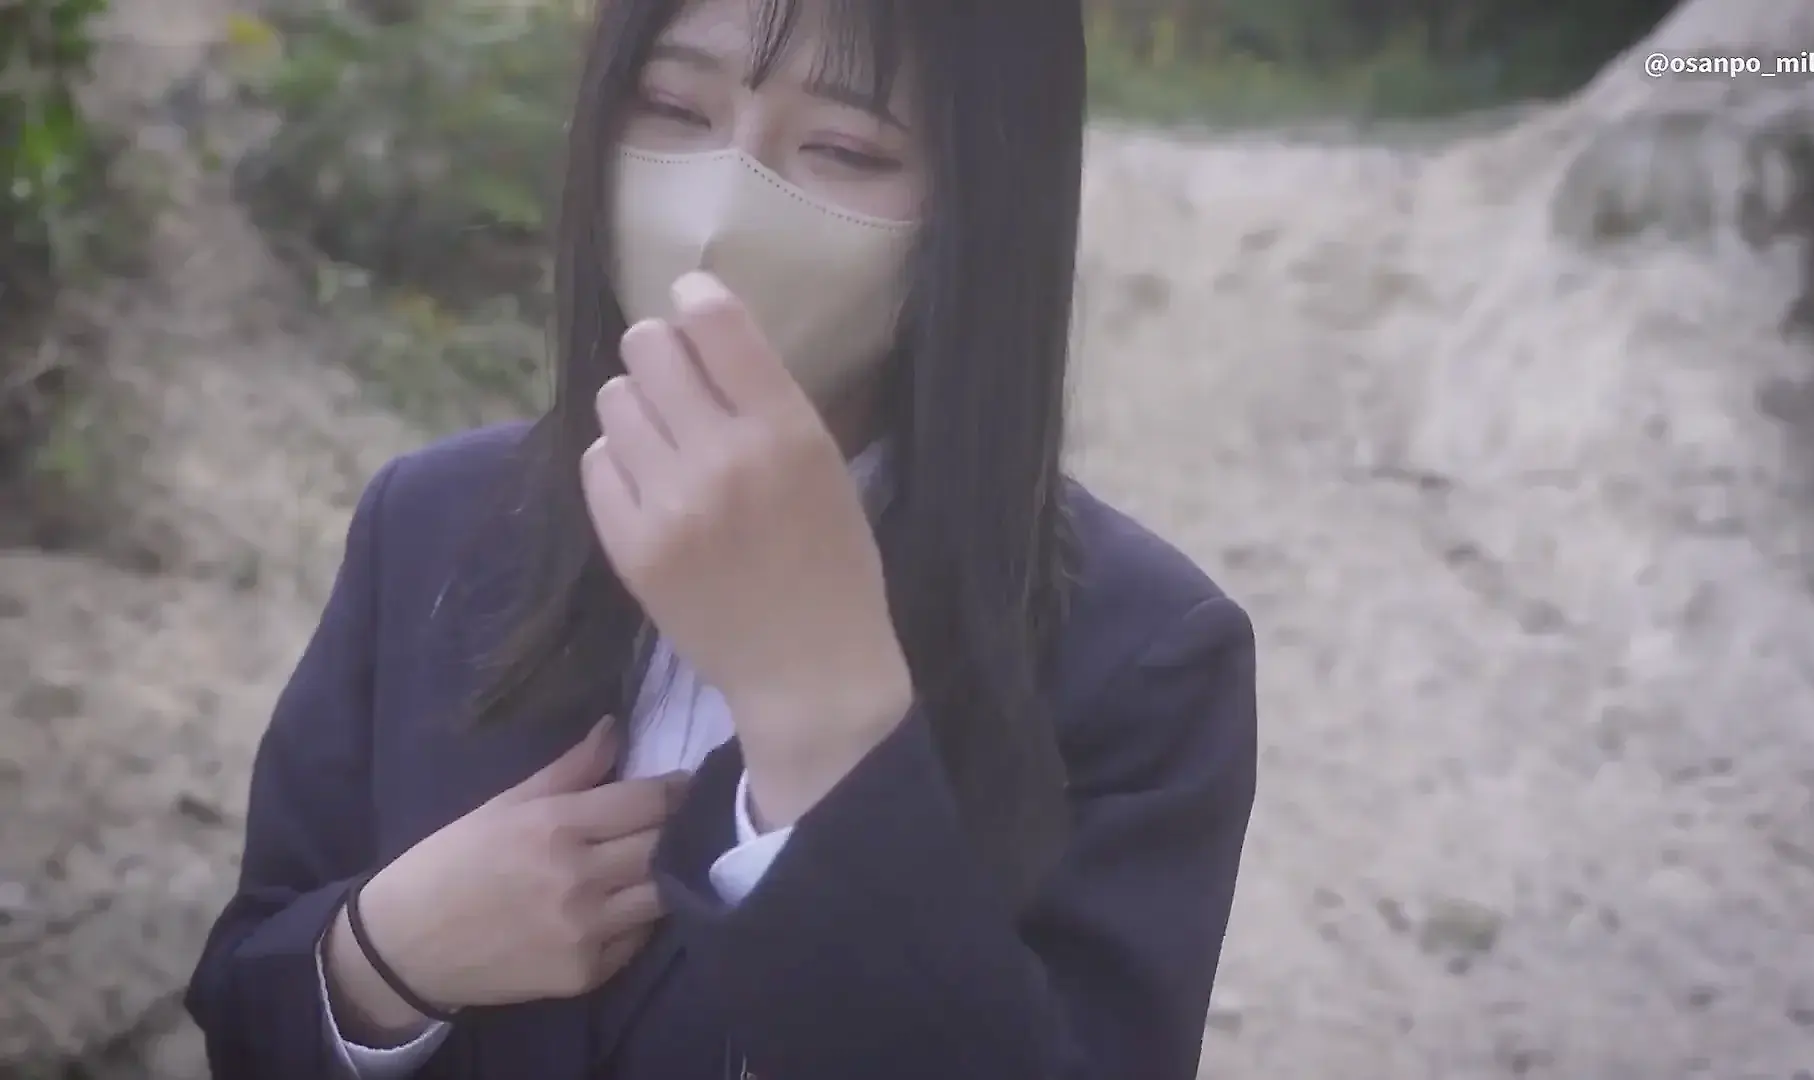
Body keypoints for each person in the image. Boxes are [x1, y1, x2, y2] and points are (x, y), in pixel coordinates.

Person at [184, 0, 1259, 1077]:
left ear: (985, 200)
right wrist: (386, 958)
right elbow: (244, 1003)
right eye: (671, 106)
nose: (720, 205)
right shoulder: (432, 521)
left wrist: (819, 710)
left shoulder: (1142, 657)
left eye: (844, 148)